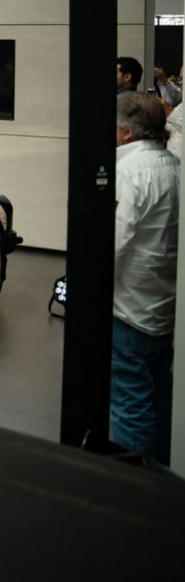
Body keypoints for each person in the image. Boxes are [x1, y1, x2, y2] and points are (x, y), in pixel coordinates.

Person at [111, 91, 179, 464]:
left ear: (125, 132)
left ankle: (133, 489)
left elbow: (113, 243)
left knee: (130, 402)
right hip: (165, 306)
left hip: (129, 309)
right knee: (160, 394)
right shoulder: (174, 165)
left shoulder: (126, 172)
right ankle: (164, 472)